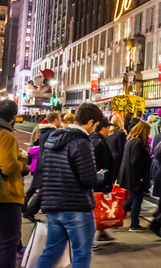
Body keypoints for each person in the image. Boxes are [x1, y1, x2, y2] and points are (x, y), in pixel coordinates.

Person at [37, 103, 105, 267]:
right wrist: (100, 176)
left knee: (51, 252)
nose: (94, 129)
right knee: (81, 253)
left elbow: (44, 169)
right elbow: (88, 179)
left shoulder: (53, 138)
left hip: (53, 204)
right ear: (90, 122)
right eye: (95, 125)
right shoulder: (82, 142)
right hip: (76, 207)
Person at [0, 100, 28, 268]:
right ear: (13, 116)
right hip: (3, 197)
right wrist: (22, 159)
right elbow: (9, 167)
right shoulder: (3, 134)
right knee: (8, 242)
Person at [24, 112, 62, 222]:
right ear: (55, 120)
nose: (60, 121)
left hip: (41, 162)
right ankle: (30, 211)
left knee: (39, 188)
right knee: (44, 190)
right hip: (48, 164)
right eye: (59, 119)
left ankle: (27, 209)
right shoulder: (52, 132)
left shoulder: (44, 131)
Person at [119, 121, 151, 231]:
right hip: (135, 177)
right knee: (137, 198)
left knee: (133, 197)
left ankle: (121, 210)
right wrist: (140, 177)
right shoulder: (137, 144)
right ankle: (134, 224)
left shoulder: (131, 140)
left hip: (129, 175)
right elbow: (136, 162)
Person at [90, 119, 116, 243]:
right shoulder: (99, 142)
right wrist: (105, 177)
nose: (109, 131)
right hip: (100, 181)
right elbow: (101, 165)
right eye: (108, 128)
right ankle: (95, 235)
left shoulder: (93, 139)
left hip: (96, 180)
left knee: (98, 207)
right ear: (103, 128)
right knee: (99, 207)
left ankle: (102, 232)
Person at [107, 114, 127, 180]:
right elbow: (122, 149)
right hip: (118, 159)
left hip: (109, 157)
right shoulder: (121, 133)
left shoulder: (108, 132)